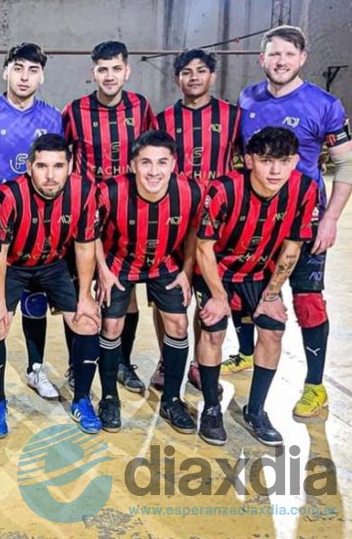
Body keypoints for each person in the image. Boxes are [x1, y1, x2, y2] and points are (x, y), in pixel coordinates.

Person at [238, 25, 352, 419]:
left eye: (289, 54)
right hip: (255, 221)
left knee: (307, 302)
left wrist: (332, 218)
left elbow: (346, 162)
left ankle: (315, 387)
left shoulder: (324, 104)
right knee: (248, 295)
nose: (281, 61)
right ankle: (246, 353)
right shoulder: (248, 98)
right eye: (274, 54)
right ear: (262, 58)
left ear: (302, 59)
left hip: (305, 219)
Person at [195, 126, 318, 445]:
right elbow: (203, 248)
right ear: (249, 160)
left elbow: (292, 246)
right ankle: (210, 408)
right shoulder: (223, 189)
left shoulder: (304, 189)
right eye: (266, 161)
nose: (275, 170)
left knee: (274, 328)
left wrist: (273, 294)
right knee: (213, 329)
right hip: (216, 270)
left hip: (260, 271)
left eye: (284, 161)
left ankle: (256, 410)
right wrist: (219, 297)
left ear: (295, 161)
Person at [0, 42, 64, 403]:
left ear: (42, 76)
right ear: (6, 71)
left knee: (34, 302)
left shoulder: (53, 118)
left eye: (33, 70)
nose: (25, 77)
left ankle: (35, 368)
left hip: (37, 228)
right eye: (19, 68)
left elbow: (60, 173)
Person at [62, 40, 157, 394]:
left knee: (124, 290)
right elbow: (63, 154)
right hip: (87, 213)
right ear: (93, 73)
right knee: (80, 290)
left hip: (127, 211)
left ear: (127, 71)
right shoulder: (75, 111)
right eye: (102, 69)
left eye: (116, 68)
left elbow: (149, 152)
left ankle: (120, 363)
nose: (109, 75)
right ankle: (76, 365)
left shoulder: (141, 106)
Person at [0, 134, 102, 436]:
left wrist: (85, 296)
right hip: (14, 265)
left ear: (70, 167)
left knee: (88, 322)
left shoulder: (84, 191)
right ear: (29, 167)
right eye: (42, 166)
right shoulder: (9, 195)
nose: (50, 175)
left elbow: (84, 246)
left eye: (58, 166)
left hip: (53, 264)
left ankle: (81, 400)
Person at [95, 131, 203, 434]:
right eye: (145, 163)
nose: (153, 171)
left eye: (161, 162)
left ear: (173, 165)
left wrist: (187, 269)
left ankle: (171, 399)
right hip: (120, 262)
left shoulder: (191, 192)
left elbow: (195, 230)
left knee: (178, 325)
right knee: (111, 327)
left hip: (165, 262)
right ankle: (108, 398)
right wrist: (102, 271)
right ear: (132, 164)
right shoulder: (111, 191)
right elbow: (91, 235)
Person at [155, 49, 245, 393]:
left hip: (218, 225)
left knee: (206, 295)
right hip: (174, 220)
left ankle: (198, 363)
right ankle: (168, 358)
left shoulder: (234, 117)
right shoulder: (163, 119)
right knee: (171, 295)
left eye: (201, 71)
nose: (193, 77)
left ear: (212, 76)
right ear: (177, 78)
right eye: (186, 72)